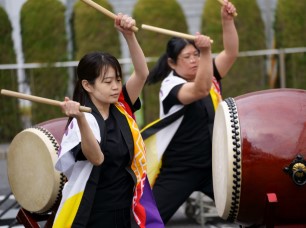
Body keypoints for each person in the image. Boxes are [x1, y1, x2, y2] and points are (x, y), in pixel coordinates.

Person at [52, 13, 163, 228]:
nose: (115, 86)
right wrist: (80, 119)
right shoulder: (84, 121)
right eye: (108, 81)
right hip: (93, 212)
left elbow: (142, 73)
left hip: (126, 208)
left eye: (118, 80)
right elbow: (96, 158)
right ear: (87, 85)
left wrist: (129, 36)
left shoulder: (121, 108)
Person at [144, 0, 239, 224]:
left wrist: (227, 21)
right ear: (172, 63)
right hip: (180, 169)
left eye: (196, 55)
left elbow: (231, 52)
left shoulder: (208, 73)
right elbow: (200, 89)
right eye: (188, 57)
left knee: (247, 208)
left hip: (214, 166)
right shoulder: (170, 86)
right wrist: (206, 52)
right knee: (149, 220)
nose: (195, 61)